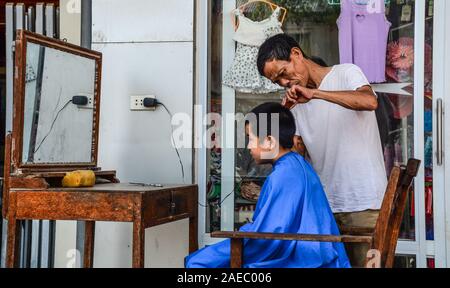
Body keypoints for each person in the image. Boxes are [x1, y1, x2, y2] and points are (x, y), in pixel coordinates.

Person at [257, 34, 388, 267]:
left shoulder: (345, 73)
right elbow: (295, 161)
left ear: (296, 54)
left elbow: (369, 102)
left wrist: (316, 94)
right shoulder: (296, 104)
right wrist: (284, 116)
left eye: (283, 73)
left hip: (365, 202)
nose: (285, 82)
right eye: (277, 81)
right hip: (323, 208)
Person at [185, 102, 350, 268]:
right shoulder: (297, 165)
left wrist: (209, 256)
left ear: (270, 141)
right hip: (313, 253)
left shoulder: (284, 175)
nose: (248, 146)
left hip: (303, 259)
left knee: (196, 263)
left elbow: (268, 236)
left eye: (250, 139)